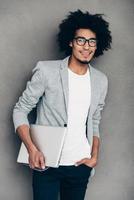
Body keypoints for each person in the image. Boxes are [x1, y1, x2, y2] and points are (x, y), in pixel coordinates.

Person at [13, 9, 112, 200]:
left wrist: (94, 157)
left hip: (80, 166)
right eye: (80, 40)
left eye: (92, 41)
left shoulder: (101, 80)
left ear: (97, 45)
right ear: (70, 42)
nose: (86, 46)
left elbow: (94, 121)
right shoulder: (47, 70)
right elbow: (20, 110)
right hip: (46, 164)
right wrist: (32, 150)